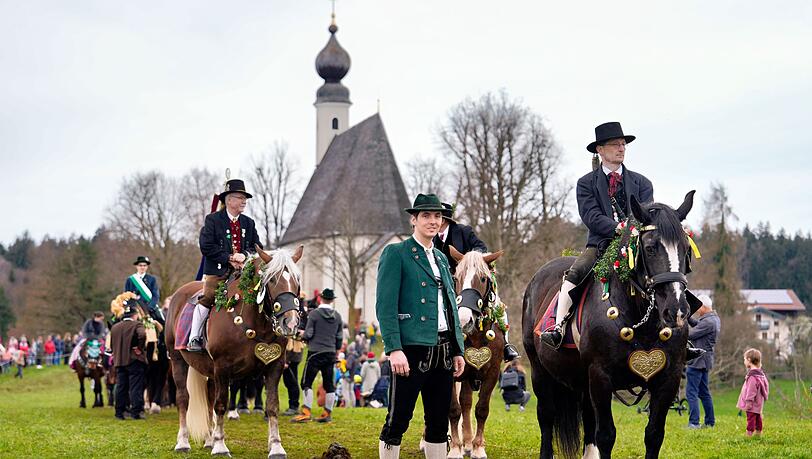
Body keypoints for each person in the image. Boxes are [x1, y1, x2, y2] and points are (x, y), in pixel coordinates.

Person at [376, 193, 466, 459]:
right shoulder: (396, 253)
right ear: (413, 220)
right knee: (398, 420)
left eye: (437, 216)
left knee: (438, 423)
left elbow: (449, 305)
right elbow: (385, 305)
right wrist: (394, 348)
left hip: (443, 351)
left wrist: (458, 349)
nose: (433, 221)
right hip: (410, 350)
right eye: (426, 215)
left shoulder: (440, 258)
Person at [436, 202, 520, 362]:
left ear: (444, 220)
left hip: (469, 279)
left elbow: (481, 247)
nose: (433, 221)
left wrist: (471, 260)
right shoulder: (431, 238)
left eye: (437, 217)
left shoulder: (463, 231)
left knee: (499, 305)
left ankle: (507, 345)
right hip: (444, 281)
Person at [188, 178, 262, 352]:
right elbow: (206, 246)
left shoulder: (248, 223)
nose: (244, 201)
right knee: (207, 297)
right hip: (218, 272)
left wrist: (244, 255)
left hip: (244, 272)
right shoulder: (213, 220)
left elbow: (257, 247)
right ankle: (194, 337)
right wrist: (228, 258)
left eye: (245, 198)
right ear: (229, 200)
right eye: (240, 197)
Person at [292, 288, 344, 423]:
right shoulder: (338, 316)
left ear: (320, 298)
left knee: (306, 382)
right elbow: (339, 337)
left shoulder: (314, 314)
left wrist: (301, 335)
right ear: (332, 300)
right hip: (330, 353)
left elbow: (309, 334)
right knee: (329, 384)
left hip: (315, 353)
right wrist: (336, 350)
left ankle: (306, 412)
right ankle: (327, 413)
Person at [686, 294, 721, 428]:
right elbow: (698, 325)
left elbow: (691, 334)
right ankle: (709, 422)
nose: (697, 310)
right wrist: (688, 317)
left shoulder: (708, 322)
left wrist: (678, 330)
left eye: (699, 307)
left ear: (704, 307)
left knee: (691, 392)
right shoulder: (713, 319)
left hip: (698, 361)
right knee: (704, 393)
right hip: (705, 361)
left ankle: (694, 423)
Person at [110, 301, 148, 420]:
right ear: (134, 315)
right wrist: (139, 348)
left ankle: (119, 412)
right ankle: (136, 412)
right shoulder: (137, 325)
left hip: (119, 361)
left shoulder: (115, 327)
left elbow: (112, 344)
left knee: (121, 387)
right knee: (135, 387)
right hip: (134, 360)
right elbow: (142, 335)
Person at [737, 348, 769, 437]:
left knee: (750, 419)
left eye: (744, 359)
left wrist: (749, 402)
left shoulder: (752, 376)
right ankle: (758, 433)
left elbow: (751, 391)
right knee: (758, 417)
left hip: (752, 403)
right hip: (758, 403)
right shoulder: (761, 374)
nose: (744, 361)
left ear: (749, 360)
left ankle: (749, 434)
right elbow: (766, 386)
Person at [281, 299, 305, 416]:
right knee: (289, 380)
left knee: (291, 380)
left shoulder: (298, 314)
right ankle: (293, 404)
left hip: (293, 351)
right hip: (290, 350)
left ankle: (294, 405)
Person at [124, 255, 163, 322]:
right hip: (133, 307)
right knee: (116, 319)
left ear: (147, 267)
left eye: (144, 265)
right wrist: (131, 306)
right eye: (140, 265)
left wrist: (149, 307)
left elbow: (155, 295)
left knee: (162, 320)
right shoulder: (130, 280)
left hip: (148, 307)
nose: (142, 267)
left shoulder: (152, 279)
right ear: (136, 266)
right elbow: (126, 295)